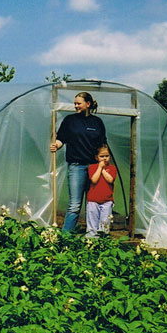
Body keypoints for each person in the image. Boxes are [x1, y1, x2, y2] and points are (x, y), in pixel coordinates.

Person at [50, 91, 106, 232]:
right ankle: (65, 238)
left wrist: (103, 164)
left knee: (92, 204)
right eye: (74, 103)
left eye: (78, 103)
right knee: (74, 205)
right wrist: (56, 145)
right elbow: (61, 138)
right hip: (77, 167)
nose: (75, 106)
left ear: (88, 104)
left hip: (95, 168)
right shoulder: (70, 120)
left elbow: (102, 145)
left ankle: (92, 235)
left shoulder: (97, 122)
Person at [86, 144, 116, 238]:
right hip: (93, 200)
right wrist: (99, 168)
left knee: (105, 221)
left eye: (106, 156)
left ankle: (103, 239)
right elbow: (94, 180)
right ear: (96, 157)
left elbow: (110, 180)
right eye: (101, 156)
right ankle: (91, 239)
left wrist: (102, 169)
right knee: (92, 221)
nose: (104, 158)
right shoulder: (92, 167)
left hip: (107, 201)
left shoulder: (112, 168)